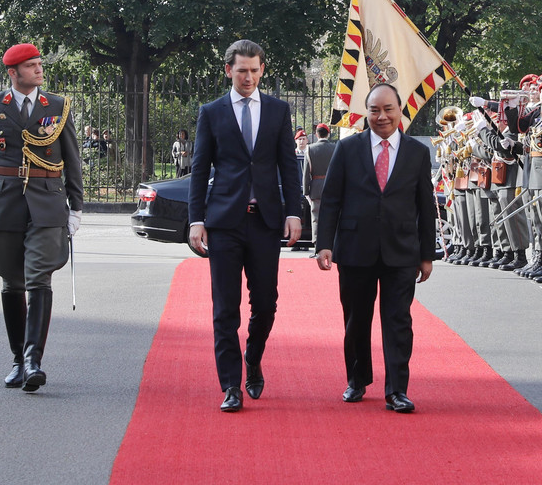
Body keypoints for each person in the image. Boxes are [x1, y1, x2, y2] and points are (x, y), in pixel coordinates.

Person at [0, 43, 84, 391]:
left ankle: (33, 362)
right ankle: (18, 359)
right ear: (13, 73)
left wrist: (76, 207)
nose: (39, 69)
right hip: (5, 203)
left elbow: (72, 158)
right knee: (12, 281)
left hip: (47, 203)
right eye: (30, 66)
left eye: (39, 64)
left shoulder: (56, 106)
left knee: (39, 278)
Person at [187, 39, 302, 413]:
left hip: (266, 221)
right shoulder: (212, 112)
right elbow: (199, 168)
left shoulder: (278, 110)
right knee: (225, 308)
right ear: (228, 71)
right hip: (224, 223)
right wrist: (196, 219)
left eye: (254, 70)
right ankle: (231, 385)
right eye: (241, 71)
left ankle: (252, 357)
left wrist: (294, 212)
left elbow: (289, 165)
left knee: (266, 303)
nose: (248, 77)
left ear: (262, 69)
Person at [316, 83, 436, 413]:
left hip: (401, 251)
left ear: (400, 111)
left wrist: (427, 254)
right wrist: (324, 244)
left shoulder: (416, 152)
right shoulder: (348, 148)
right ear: (366, 112)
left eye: (388, 109)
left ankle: (397, 390)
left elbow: (426, 206)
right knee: (356, 320)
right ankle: (357, 380)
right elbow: (331, 200)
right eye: (374, 110)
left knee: (398, 322)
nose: (381, 116)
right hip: (355, 249)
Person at [303, 123, 336, 245]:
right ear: (328, 134)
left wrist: (306, 192)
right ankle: (330, 245)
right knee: (331, 218)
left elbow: (306, 173)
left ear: (316, 134)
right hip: (332, 188)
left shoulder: (310, 149)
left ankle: (317, 244)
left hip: (316, 188)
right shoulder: (335, 147)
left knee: (316, 218)